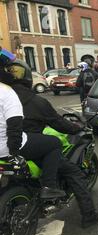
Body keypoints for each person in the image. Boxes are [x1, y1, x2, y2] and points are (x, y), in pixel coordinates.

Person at [6, 59, 98, 228]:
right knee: (73, 172)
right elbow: (58, 123)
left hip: (7, 148)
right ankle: (88, 215)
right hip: (30, 148)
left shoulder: (4, 97)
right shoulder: (37, 102)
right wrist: (76, 128)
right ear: (29, 79)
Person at [0, 48, 65, 199]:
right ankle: (49, 186)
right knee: (54, 143)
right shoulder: (7, 92)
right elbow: (14, 126)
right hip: (6, 147)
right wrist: (14, 154)